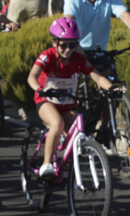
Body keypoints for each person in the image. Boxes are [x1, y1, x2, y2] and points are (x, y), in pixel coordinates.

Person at [28, 17, 112, 178]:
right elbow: (32, 76)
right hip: (46, 101)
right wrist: (39, 89)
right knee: (57, 124)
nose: (68, 49)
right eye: (63, 45)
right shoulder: (47, 56)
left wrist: (113, 88)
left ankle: (66, 168)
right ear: (54, 43)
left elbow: (98, 77)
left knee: (77, 132)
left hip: (67, 104)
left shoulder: (79, 60)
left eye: (72, 45)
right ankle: (46, 164)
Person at [63, 0, 130, 60]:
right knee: (75, 84)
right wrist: (74, 44)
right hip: (77, 52)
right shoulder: (73, 1)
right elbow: (68, 22)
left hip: (100, 53)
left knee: (109, 85)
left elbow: (125, 15)